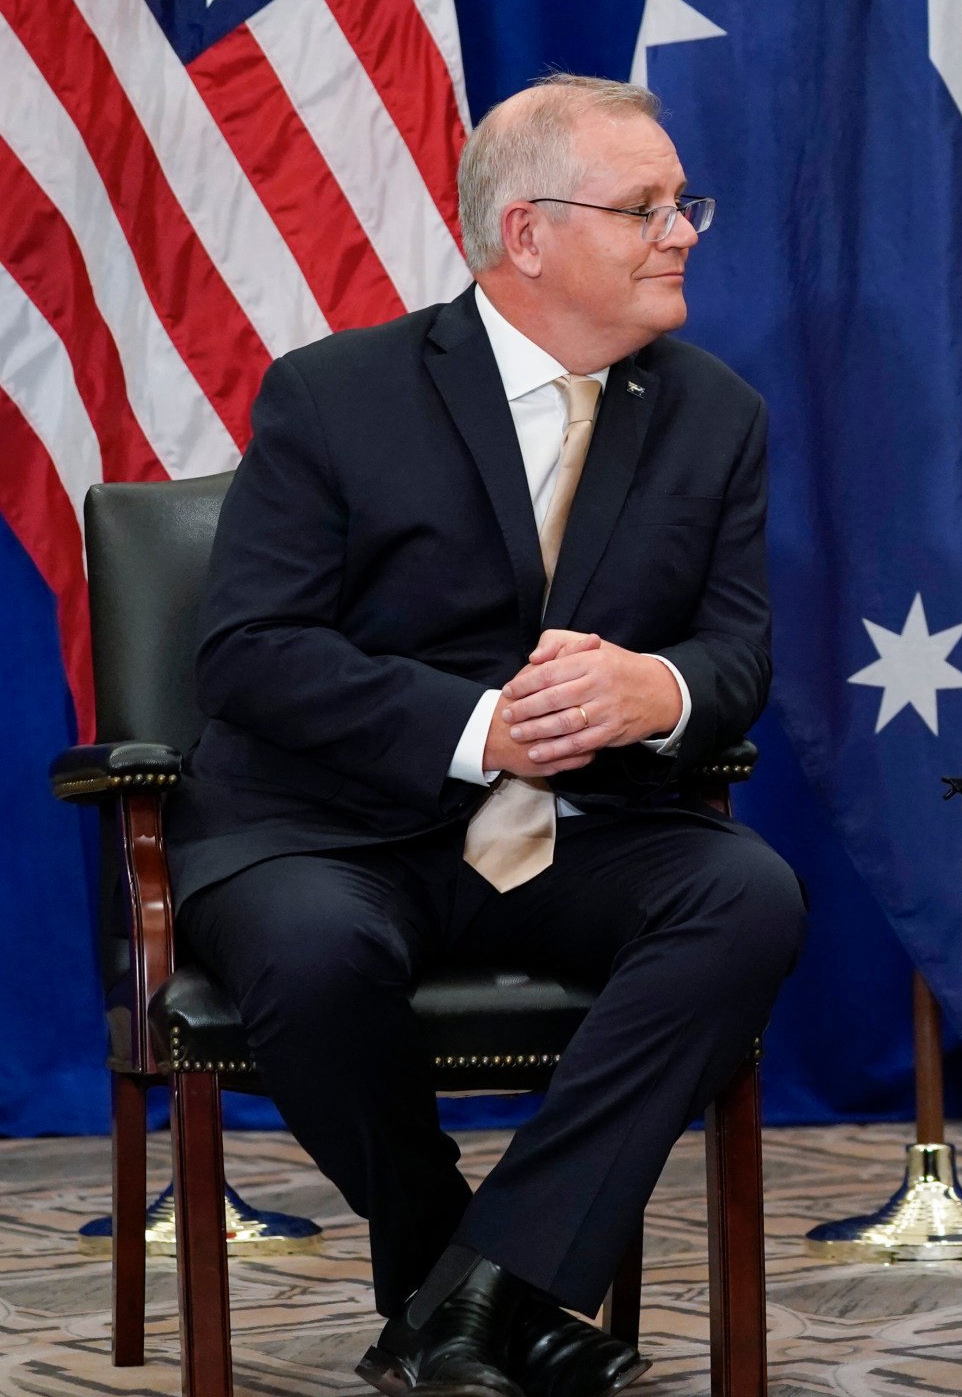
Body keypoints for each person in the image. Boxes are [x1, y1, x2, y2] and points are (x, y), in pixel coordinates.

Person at [167, 74, 804, 1397]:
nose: (685, 230)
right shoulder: (334, 395)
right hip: (329, 828)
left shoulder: (715, 414)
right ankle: (451, 1272)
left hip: (584, 836)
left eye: (686, 203)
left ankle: (479, 1293)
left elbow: (735, 656)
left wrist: (660, 694)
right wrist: (480, 729)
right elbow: (248, 653)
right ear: (528, 234)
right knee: (315, 951)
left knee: (746, 895)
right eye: (647, 208)